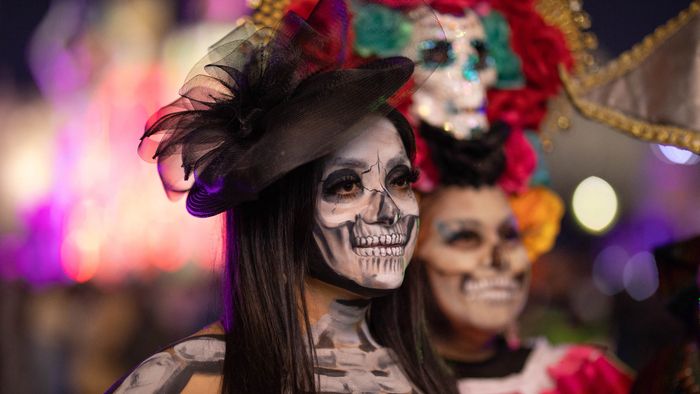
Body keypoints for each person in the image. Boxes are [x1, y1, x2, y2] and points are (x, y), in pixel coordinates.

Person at [108, 0, 456, 392]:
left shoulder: (425, 378)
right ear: (282, 210)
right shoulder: (190, 378)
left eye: (401, 180)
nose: (389, 210)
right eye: (346, 185)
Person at [347, 0, 633, 392]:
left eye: (511, 235)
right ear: (404, 252)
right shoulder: (352, 383)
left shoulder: (584, 381)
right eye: (465, 237)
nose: (500, 259)